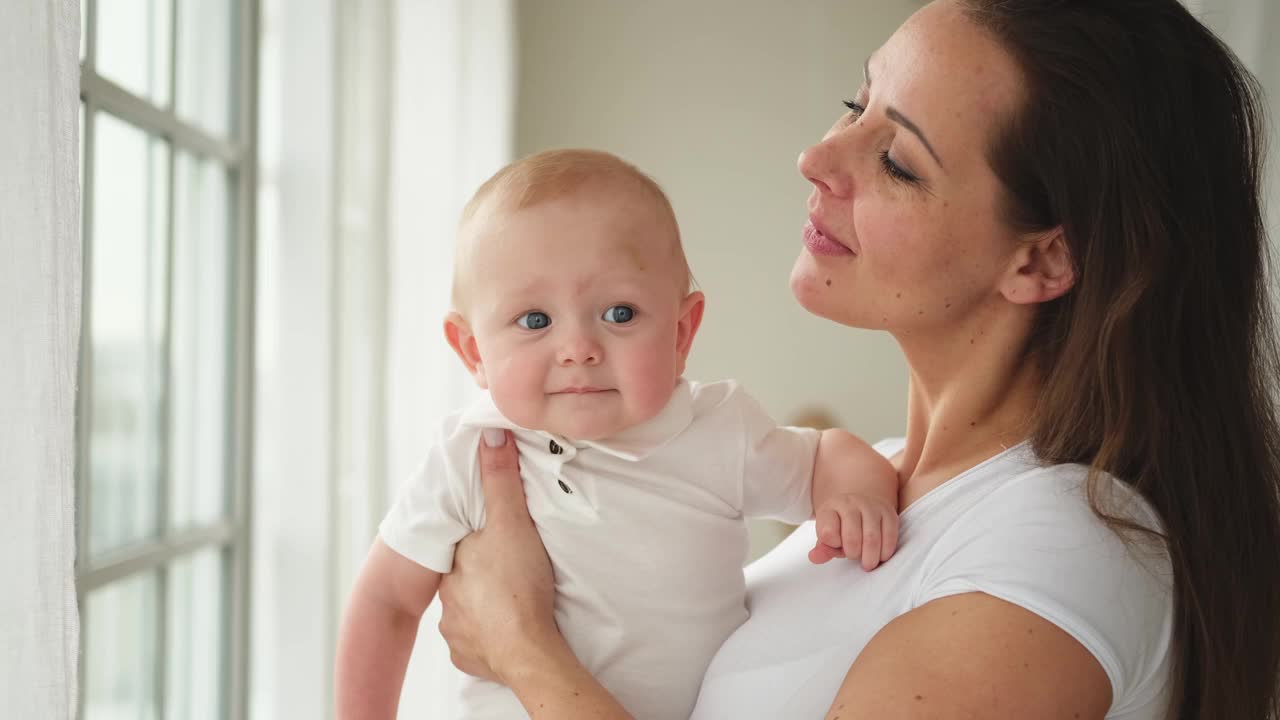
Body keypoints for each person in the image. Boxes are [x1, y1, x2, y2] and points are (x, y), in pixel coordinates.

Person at [428, 1, 1280, 718]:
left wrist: (524, 648)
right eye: (855, 103)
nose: (817, 157)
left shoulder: (1056, 557)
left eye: (898, 162)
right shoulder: (870, 484)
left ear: (1041, 261)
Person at [333, 148, 902, 719]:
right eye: (535, 320)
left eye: (620, 314)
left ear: (682, 331)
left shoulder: (718, 431)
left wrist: (856, 494)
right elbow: (385, 600)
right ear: (473, 352)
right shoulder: (471, 454)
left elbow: (827, 453)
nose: (578, 348)